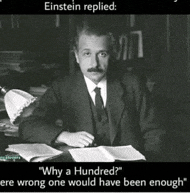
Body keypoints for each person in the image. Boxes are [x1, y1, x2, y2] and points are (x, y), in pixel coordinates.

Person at [19, 19, 166, 161]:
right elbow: (28, 126)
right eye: (87, 54)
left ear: (111, 55)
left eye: (102, 54)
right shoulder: (63, 87)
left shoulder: (132, 84)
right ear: (76, 56)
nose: (94, 63)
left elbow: (154, 133)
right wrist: (65, 136)